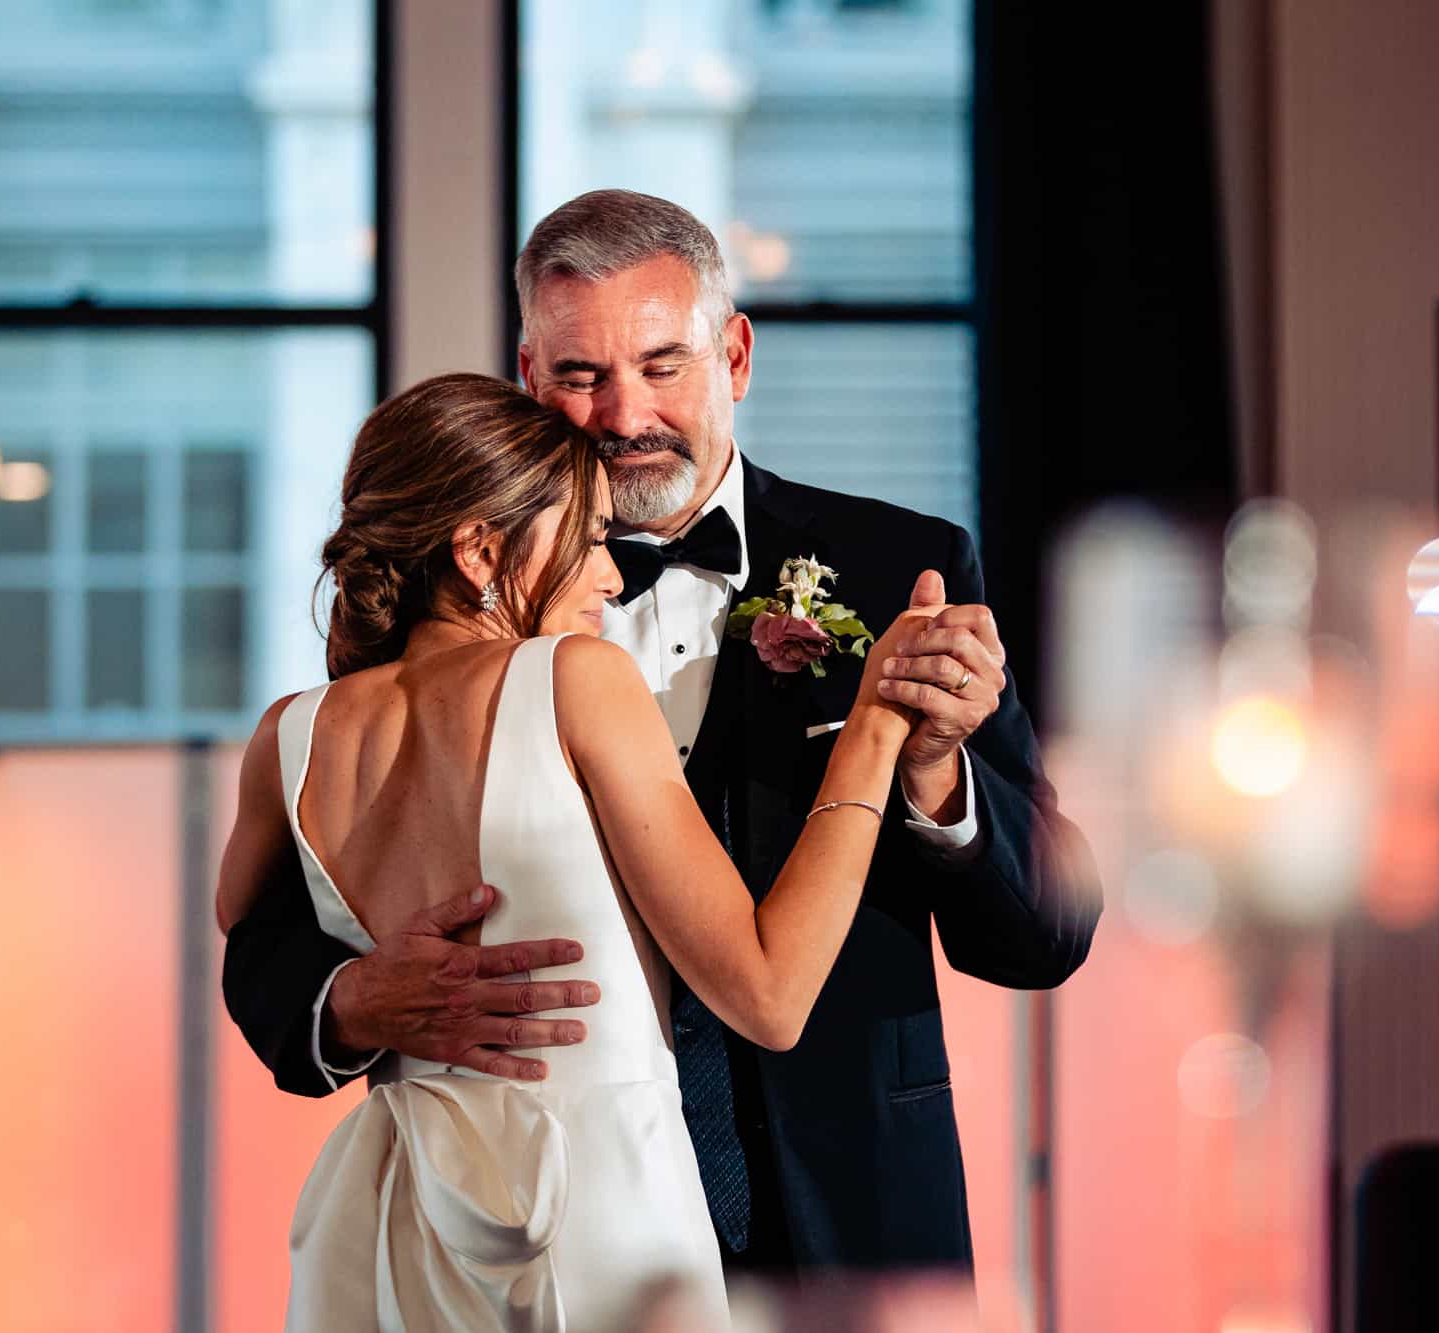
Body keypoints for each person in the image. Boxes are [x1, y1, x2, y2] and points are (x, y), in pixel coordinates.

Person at [220, 189, 1102, 1285]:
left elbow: (1043, 933)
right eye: (580, 375)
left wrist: (929, 769)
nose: (622, 412)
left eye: (660, 364)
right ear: (528, 376)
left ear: (732, 355)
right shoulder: (443, 637)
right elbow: (265, 935)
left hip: (842, 1218)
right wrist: (346, 1001)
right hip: (534, 1217)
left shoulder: (897, 568)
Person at [216, 371, 933, 1329]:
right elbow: (769, 990)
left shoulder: (287, 735)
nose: (609, 572)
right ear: (479, 551)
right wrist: (880, 724)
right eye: (591, 537)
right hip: (596, 1204)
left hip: (392, 1218)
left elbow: (240, 923)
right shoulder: (575, 679)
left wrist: (354, 991)